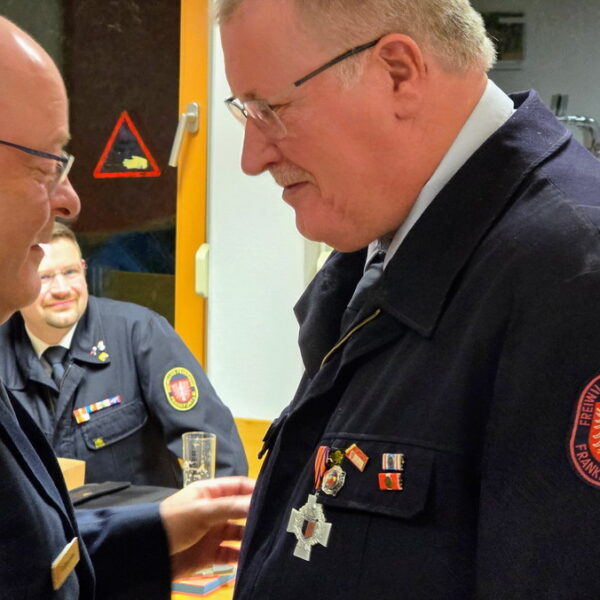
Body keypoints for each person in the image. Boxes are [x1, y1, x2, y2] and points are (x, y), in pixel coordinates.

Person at [217, 0, 600, 598]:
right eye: (245, 111)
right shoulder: (381, 243)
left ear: (398, 72)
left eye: (271, 109)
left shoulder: (572, 271)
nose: (252, 157)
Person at [0, 15, 253, 599]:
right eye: (47, 165)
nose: (71, 200)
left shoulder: (136, 330)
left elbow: (29, 560)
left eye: (71, 273)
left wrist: (157, 534)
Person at [0, 221, 248, 487]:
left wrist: (212, 510)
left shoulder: (140, 333)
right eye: (45, 277)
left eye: (71, 272)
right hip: (48, 516)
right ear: (17, 282)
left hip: (145, 514)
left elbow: (217, 454)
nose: (62, 289)